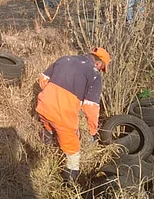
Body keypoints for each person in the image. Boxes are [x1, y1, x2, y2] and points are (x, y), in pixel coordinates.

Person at [36, 47, 110, 183]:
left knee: (48, 129)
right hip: (62, 116)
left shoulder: (65, 59)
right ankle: (69, 186)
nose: (100, 71)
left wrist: (51, 96)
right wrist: (93, 131)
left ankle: (41, 157)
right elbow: (91, 107)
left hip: (43, 107)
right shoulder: (94, 75)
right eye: (102, 68)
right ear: (98, 64)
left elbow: (43, 79)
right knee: (73, 151)